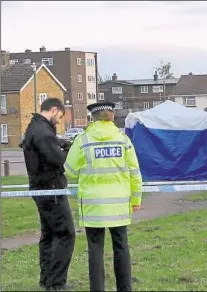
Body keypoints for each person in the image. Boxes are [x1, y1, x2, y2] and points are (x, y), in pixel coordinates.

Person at [64, 102, 143, 292]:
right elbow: (135, 172)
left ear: (92, 118)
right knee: (121, 246)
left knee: (95, 249)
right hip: (119, 203)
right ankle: (125, 288)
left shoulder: (83, 140)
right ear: (112, 116)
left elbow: (70, 171)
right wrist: (136, 199)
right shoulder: (123, 140)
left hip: (93, 205)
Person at [21, 98, 75, 291]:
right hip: (51, 189)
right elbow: (59, 161)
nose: (59, 121)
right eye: (59, 116)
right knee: (65, 233)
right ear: (53, 110)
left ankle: (47, 280)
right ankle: (56, 283)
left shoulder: (35, 128)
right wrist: (68, 150)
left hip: (42, 189)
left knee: (50, 235)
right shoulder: (43, 133)